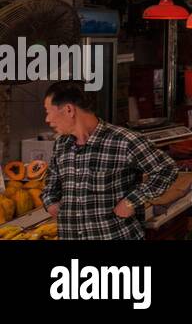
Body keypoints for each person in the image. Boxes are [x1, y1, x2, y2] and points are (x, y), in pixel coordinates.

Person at [42, 81, 179, 239]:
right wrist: (51, 202)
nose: (47, 119)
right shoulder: (61, 144)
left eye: (48, 111)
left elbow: (167, 169)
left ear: (68, 110)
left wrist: (132, 200)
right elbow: (50, 186)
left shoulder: (125, 141)